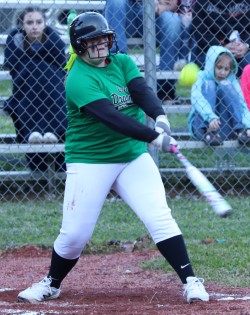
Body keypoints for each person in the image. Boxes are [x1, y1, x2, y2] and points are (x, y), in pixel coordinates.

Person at [17, 12, 209, 304]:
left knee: (159, 217)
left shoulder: (122, 62)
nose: (100, 45)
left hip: (131, 156)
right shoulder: (78, 79)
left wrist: (160, 118)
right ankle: (52, 283)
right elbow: (111, 118)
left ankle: (190, 280)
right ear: (79, 46)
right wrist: (153, 137)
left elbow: (142, 92)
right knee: (74, 237)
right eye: (92, 41)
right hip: (90, 160)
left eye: (103, 39)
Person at [3, 6, 67, 172]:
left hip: (51, 92)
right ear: (22, 25)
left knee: (46, 74)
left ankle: (53, 132)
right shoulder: (16, 41)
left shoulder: (54, 42)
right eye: (29, 22)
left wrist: (34, 62)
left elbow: (60, 66)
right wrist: (36, 63)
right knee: (33, 71)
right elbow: (15, 69)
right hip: (26, 92)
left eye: (39, 22)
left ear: (45, 24)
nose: (34, 26)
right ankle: (33, 133)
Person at [104, 0, 194, 100]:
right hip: (128, 12)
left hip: (157, 15)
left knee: (172, 21)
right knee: (116, 2)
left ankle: (164, 89)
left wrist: (161, 6)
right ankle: (117, 69)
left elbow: (172, 3)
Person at [188, 46, 250, 146]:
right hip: (202, 126)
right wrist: (210, 117)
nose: (222, 72)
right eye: (219, 67)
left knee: (226, 85)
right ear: (211, 65)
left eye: (226, 69)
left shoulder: (231, 80)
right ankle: (208, 132)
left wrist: (248, 126)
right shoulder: (201, 76)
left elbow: (242, 104)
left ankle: (240, 130)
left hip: (223, 127)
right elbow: (196, 98)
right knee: (210, 84)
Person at [192, 0, 250, 76]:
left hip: (244, 50)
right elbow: (200, 32)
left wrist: (246, 45)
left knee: (247, 63)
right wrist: (222, 48)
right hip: (213, 49)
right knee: (204, 63)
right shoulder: (202, 2)